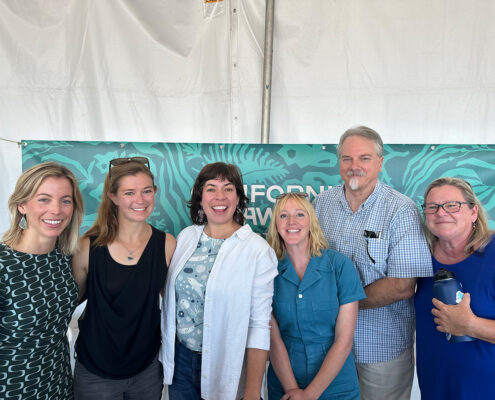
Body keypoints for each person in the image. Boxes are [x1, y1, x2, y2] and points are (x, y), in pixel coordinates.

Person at [313, 126, 432, 400]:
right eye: (347, 159)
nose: (355, 166)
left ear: (380, 162)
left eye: (364, 158)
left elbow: (403, 286)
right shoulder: (321, 204)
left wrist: (343, 304)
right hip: (326, 344)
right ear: (339, 162)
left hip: (380, 348)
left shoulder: (401, 210)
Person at [161, 162, 278, 400]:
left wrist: (253, 391)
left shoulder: (257, 250)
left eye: (228, 188)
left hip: (227, 364)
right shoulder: (186, 237)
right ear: (200, 198)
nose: (220, 196)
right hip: (181, 361)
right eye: (211, 188)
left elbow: (259, 325)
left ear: (238, 199)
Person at [72, 157, 176, 400]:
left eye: (146, 191)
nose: (140, 200)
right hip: (95, 373)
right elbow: (68, 304)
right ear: (113, 196)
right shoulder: (87, 248)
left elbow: (173, 306)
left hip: (147, 371)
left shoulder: (167, 244)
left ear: (155, 193)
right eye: (129, 192)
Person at [266, 192, 366, 399]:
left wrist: (310, 394)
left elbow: (344, 340)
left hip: (337, 386)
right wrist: (293, 390)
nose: (291, 222)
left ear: (312, 221)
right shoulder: (267, 271)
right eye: (283, 216)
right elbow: (273, 339)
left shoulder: (340, 266)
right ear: (276, 224)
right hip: (284, 384)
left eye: (300, 215)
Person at [0, 162, 84, 399]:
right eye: (44, 199)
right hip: (13, 390)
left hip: (58, 386)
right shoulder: (3, 265)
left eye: (65, 200)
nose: (56, 210)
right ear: (22, 205)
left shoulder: (64, 257)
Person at [415, 177, 495, 399]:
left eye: (452, 205)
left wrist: (471, 325)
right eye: (432, 207)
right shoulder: (420, 258)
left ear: (473, 212)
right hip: (435, 387)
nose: (441, 213)